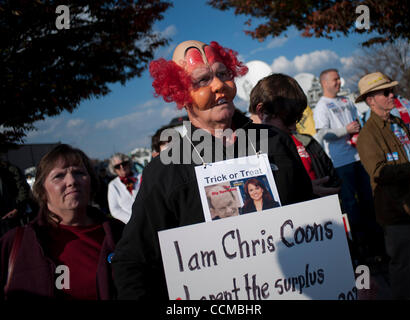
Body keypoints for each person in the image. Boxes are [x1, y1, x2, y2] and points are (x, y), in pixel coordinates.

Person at [111, 40, 314, 300]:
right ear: (181, 94)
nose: (218, 85)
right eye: (202, 80)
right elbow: (132, 261)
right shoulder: (164, 171)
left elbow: (311, 220)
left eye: (223, 74)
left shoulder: (276, 141)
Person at [0, 144, 124, 300]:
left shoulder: (120, 234)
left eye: (79, 173)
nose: (72, 181)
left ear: (91, 182)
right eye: (59, 176)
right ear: (42, 191)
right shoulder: (14, 243)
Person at [356, 72, 410, 299]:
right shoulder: (368, 134)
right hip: (398, 211)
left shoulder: (398, 122)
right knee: (403, 270)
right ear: (370, 100)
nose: (391, 95)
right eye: (385, 92)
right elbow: (379, 173)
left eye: (392, 90)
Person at [249, 73, 341, 198]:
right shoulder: (244, 151)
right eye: (288, 119)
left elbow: (332, 178)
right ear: (262, 111)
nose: (293, 127)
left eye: (297, 119)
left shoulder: (305, 141)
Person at [314, 68, 376, 246]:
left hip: (358, 157)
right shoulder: (322, 105)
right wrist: (345, 131)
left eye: (339, 78)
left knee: (368, 200)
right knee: (350, 204)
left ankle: (375, 242)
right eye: (335, 79)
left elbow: (358, 122)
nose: (339, 82)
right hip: (341, 163)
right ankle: (360, 246)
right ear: (325, 83)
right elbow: (323, 132)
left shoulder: (346, 100)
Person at [107, 153, 142, 224]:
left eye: (124, 164)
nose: (122, 167)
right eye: (117, 166)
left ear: (129, 164)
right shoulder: (113, 185)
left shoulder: (141, 176)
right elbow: (115, 210)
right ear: (114, 170)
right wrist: (133, 220)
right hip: (131, 225)